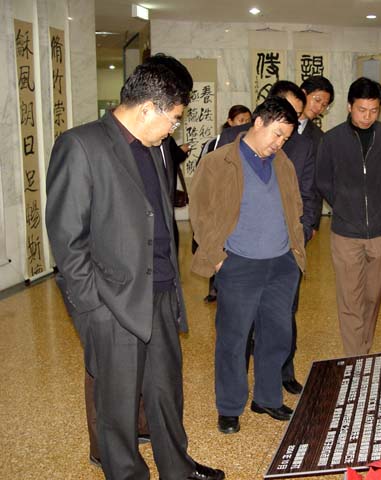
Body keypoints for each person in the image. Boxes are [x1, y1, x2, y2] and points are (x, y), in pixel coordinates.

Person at [45, 54, 224, 480]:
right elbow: (67, 241)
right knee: (118, 407)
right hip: (111, 303)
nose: (174, 128)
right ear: (147, 109)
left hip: (160, 293)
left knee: (166, 393)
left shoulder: (156, 146)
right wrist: (94, 311)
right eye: (173, 119)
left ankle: (177, 469)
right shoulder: (81, 146)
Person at [190, 97, 305, 435]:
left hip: (281, 264)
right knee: (233, 339)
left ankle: (267, 398)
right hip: (239, 264)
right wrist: (218, 257)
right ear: (258, 122)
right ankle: (229, 407)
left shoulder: (283, 163)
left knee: (277, 335)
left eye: (285, 138)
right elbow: (200, 213)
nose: (279, 143)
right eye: (277, 134)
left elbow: (295, 206)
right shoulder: (219, 161)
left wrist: (294, 252)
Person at [217, 81, 320, 395]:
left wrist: (301, 235)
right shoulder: (230, 143)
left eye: (297, 116)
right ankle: (234, 397)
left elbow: (307, 194)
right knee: (237, 331)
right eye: (287, 113)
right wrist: (217, 255)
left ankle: (275, 384)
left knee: (280, 325)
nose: (282, 140)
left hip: (282, 255)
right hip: (241, 256)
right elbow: (209, 205)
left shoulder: (298, 148)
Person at [316, 77, 381, 357]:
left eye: (374, 110)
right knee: (350, 300)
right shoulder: (332, 139)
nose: (367, 116)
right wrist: (343, 204)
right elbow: (322, 179)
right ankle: (357, 358)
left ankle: (363, 347)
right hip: (346, 233)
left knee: (372, 297)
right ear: (349, 106)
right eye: (361, 110)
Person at [195, 104, 251, 304]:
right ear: (230, 121)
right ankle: (214, 289)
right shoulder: (215, 143)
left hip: (239, 209)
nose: (244, 125)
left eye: (247, 121)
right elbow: (202, 170)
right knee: (216, 245)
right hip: (217, 205)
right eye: (240, 121)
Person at [298, 75, 335, 149]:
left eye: (324, 105)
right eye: (317, 100)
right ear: (303, 93)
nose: (319, 108)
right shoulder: (278, 119)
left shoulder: (319, 137)